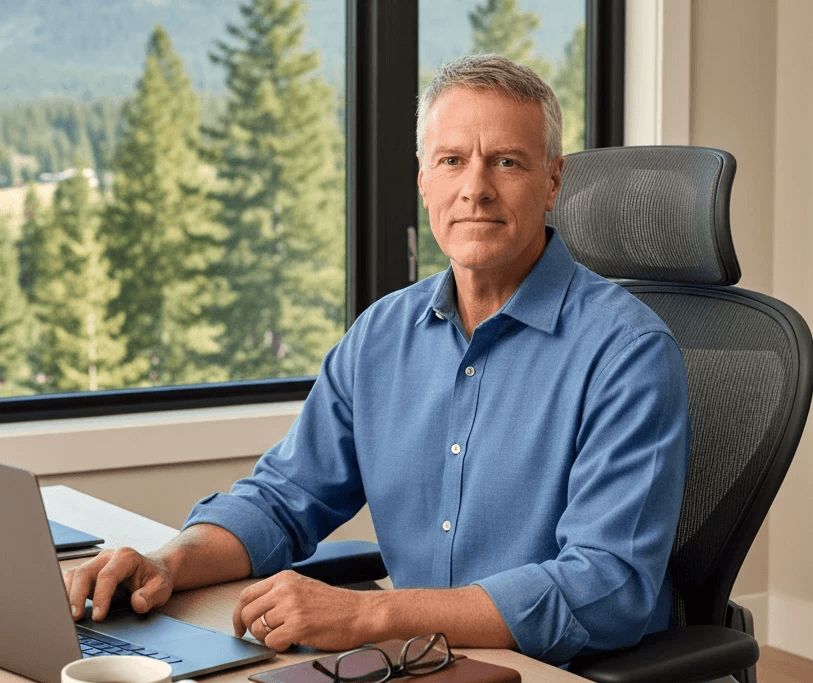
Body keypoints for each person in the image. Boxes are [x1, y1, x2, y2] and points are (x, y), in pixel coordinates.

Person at [63, 54, 690, 666]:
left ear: (552, 181)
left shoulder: (628, 353)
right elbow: (283, 498)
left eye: (506, 161)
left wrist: (370, 616)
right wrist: (168, 563)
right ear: (423, 178)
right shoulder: (382, 335)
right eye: (451, 161)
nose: (475, 188)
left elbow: (606, 587)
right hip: (415, 659)